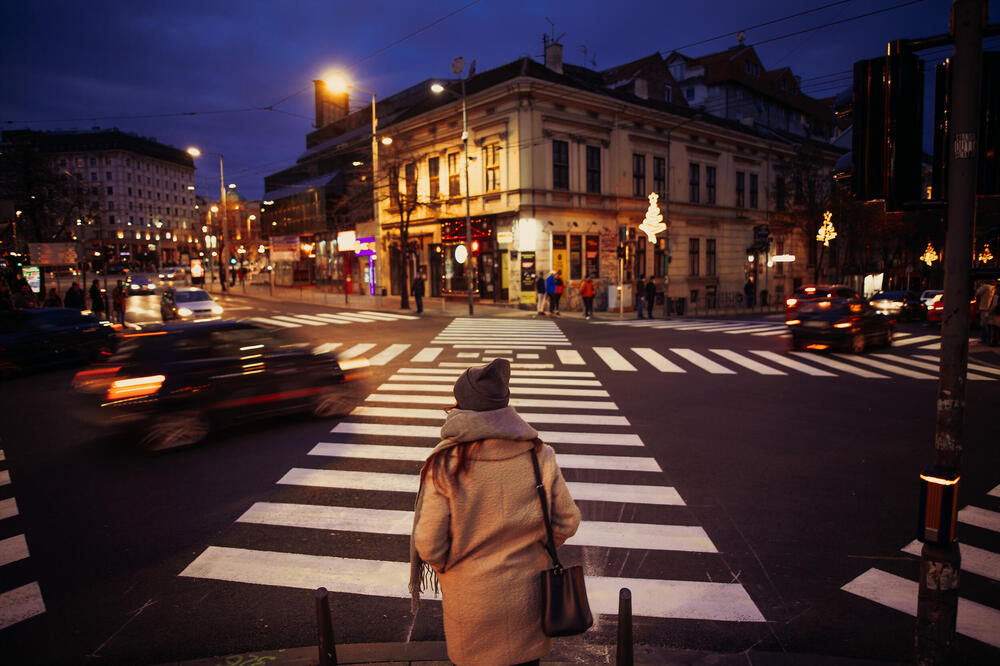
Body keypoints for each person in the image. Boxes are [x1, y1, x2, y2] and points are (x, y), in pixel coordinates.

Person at [410, 359, 581, 666]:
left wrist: (454, 569)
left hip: (471, 600)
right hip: (528, 598)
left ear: (461, 407)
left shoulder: (444, 464)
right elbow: (567, 521)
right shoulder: (539, 454)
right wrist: (535, 547)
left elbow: (429, 544)